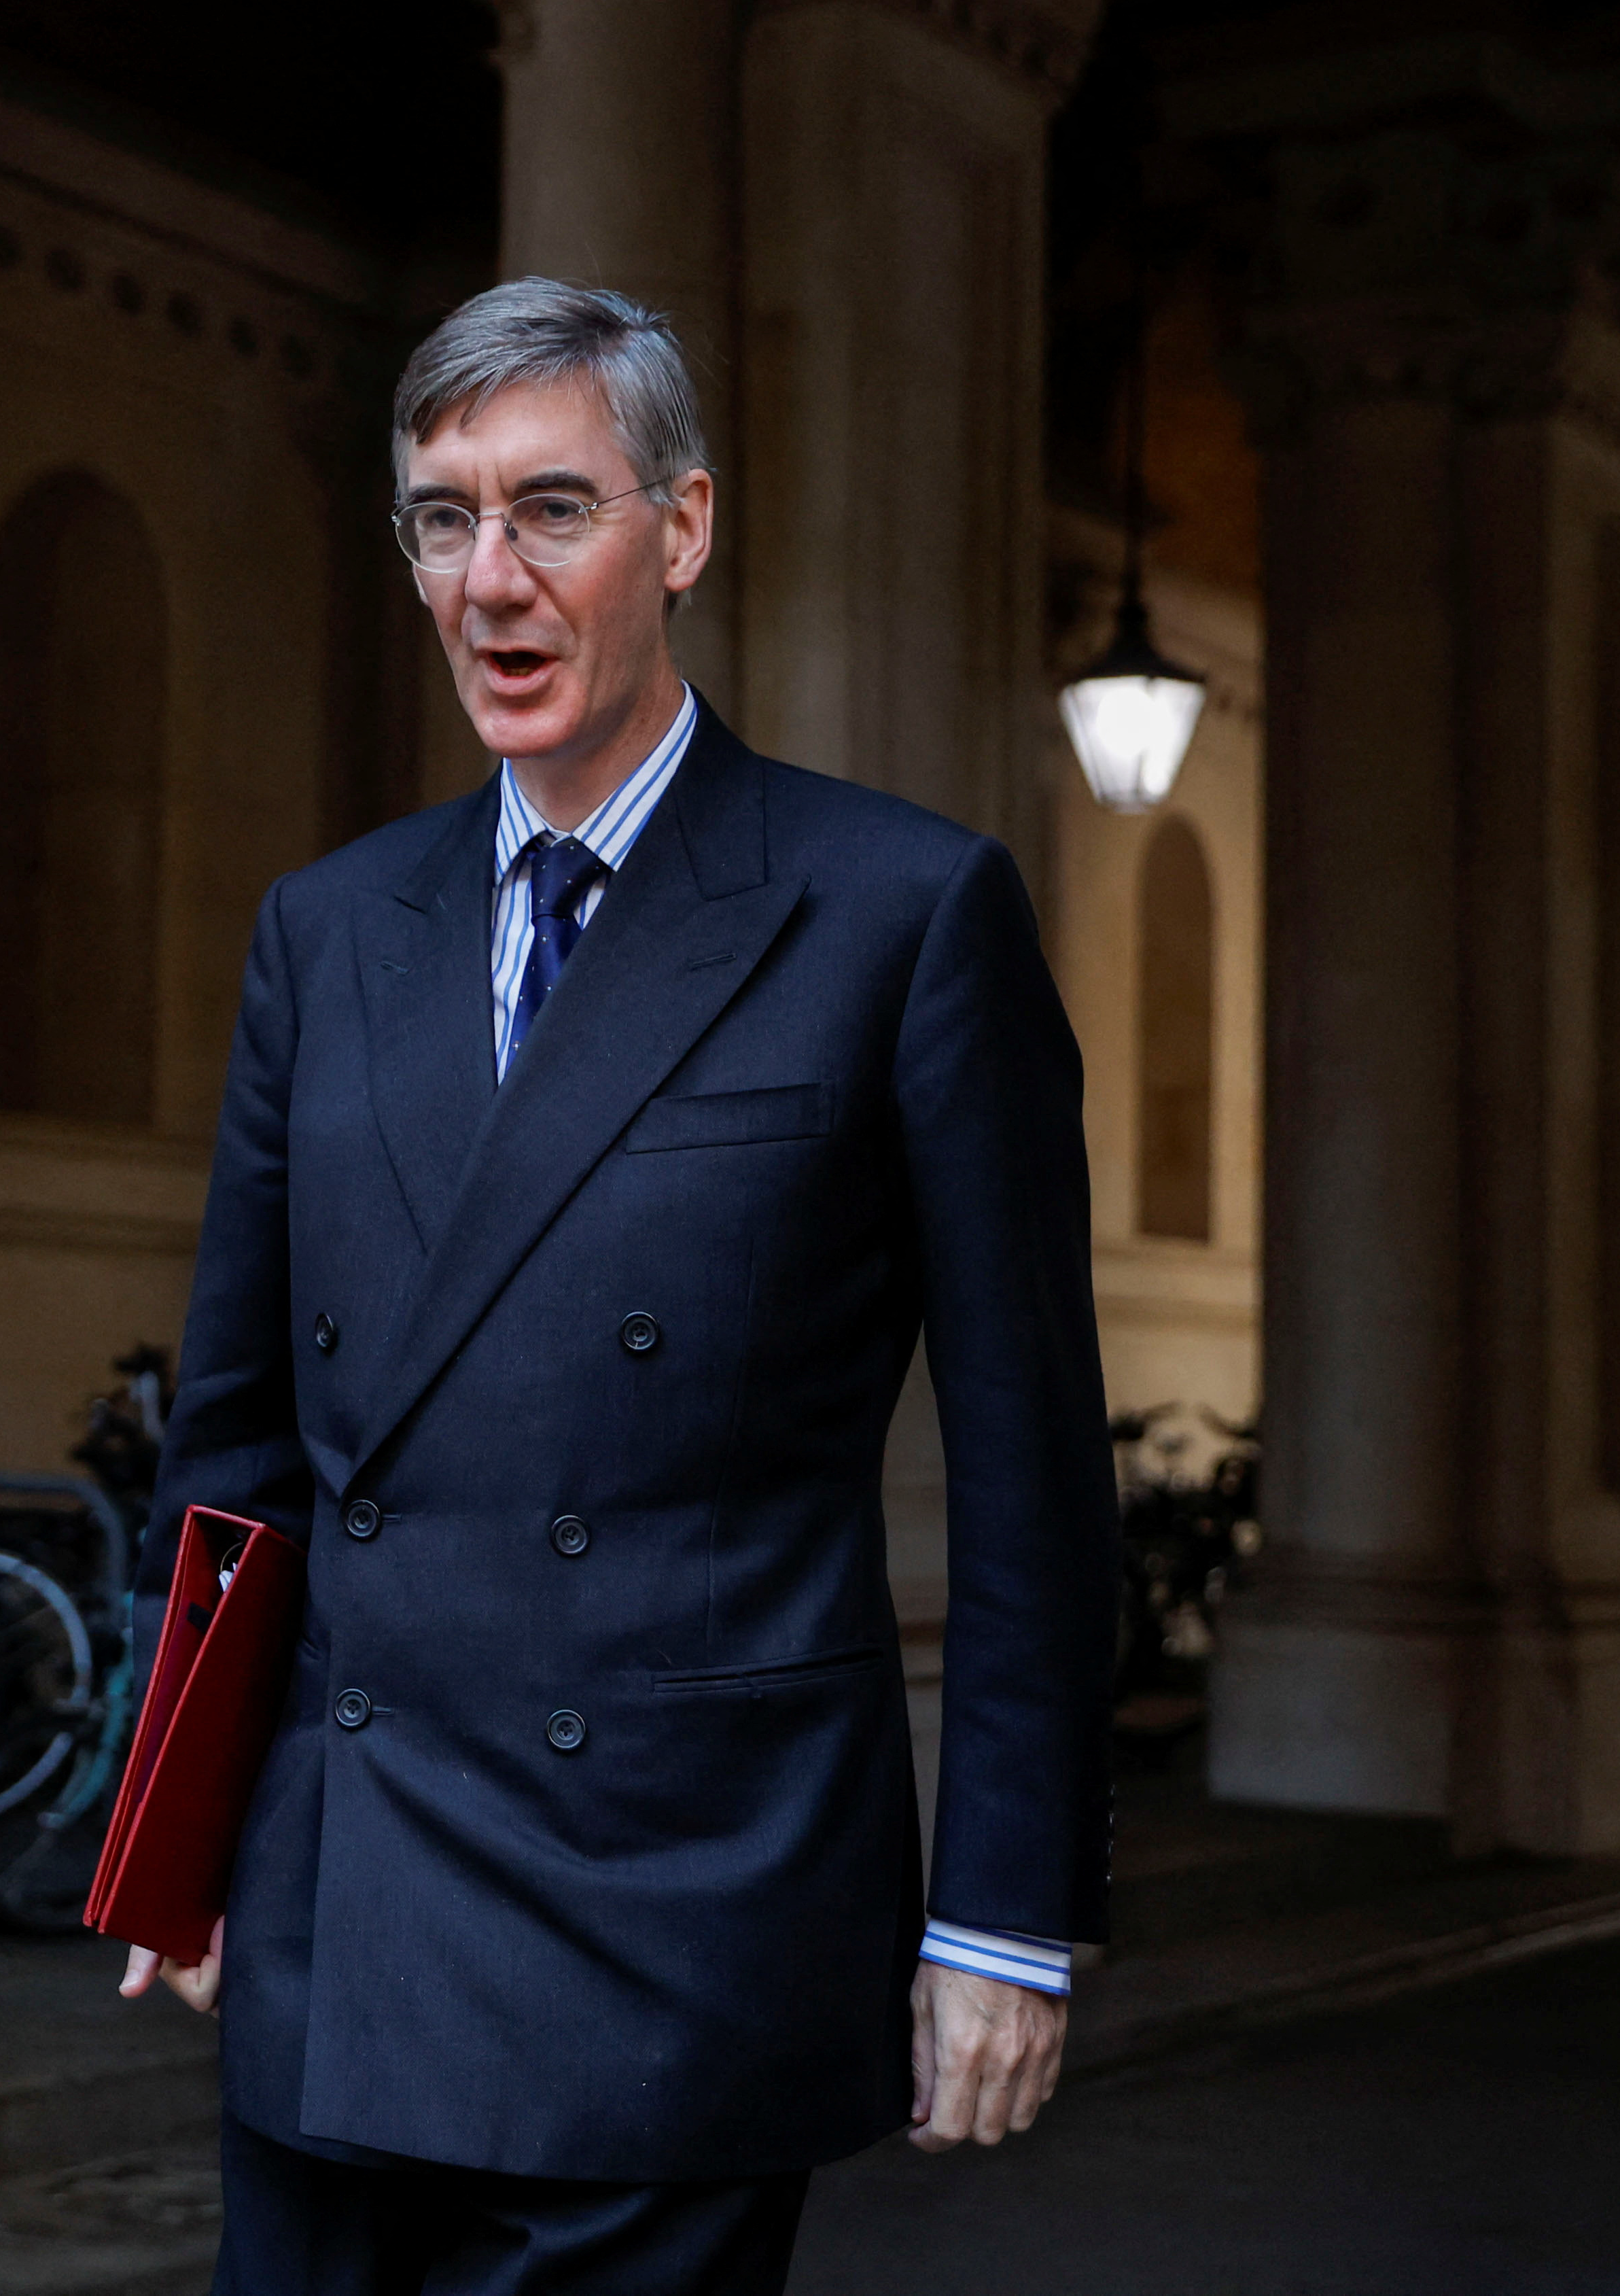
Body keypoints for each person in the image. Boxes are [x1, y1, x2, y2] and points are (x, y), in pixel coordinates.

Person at [118, 277, 1115, 2294]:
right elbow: (239, 1438)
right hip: (342, 1900)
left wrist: (1001, 1916)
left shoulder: (898, 912)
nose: (489, 578)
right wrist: (177, 1830)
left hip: (679, 1914)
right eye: (443, 518)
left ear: (683, 529)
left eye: (551, 509)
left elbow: (1032, 1468)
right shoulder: (327, 931)